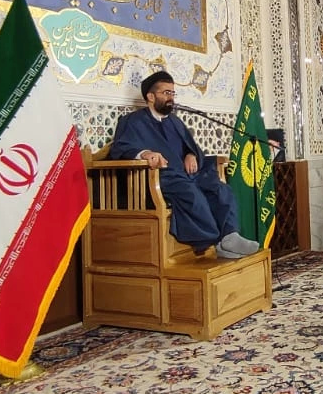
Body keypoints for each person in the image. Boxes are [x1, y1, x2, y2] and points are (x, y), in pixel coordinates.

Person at [109, 71, 260, 258]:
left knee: (221, 189)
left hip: (187, 174)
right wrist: (145, 154)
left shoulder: (174, 121)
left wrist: (190, 154)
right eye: (166, 93)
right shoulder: (133, 121)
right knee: (191, 192)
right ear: (150, 96)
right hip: (161, 177)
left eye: (172, 93)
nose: (171, 98)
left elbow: (190, 146)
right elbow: (120, 148)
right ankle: (217, 242)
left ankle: (230, 235)